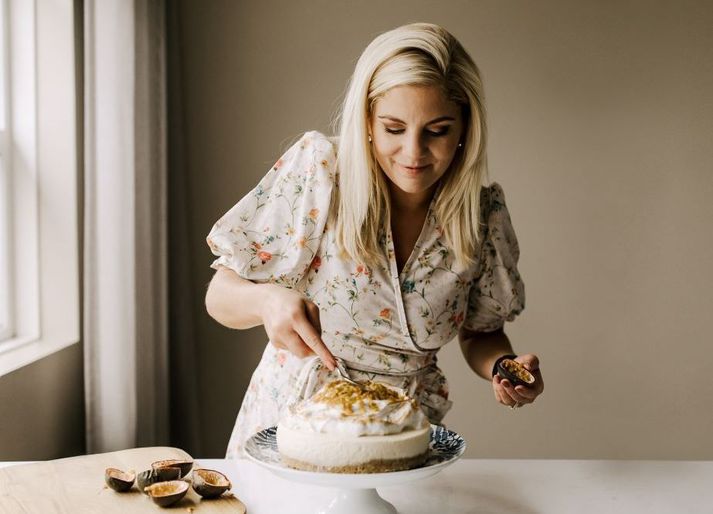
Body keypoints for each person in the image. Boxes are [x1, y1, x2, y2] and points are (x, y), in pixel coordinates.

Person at [205, 22, 544, 458]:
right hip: (293, 425)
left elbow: (482, 333)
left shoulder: (481, 215)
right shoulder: (320, 172)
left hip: (402, 434)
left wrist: (504, 367)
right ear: (367, 121)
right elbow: (220, 295)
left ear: (464, 128)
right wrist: (267, 301)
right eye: (394, 128)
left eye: (437, 130)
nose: (414, 152)